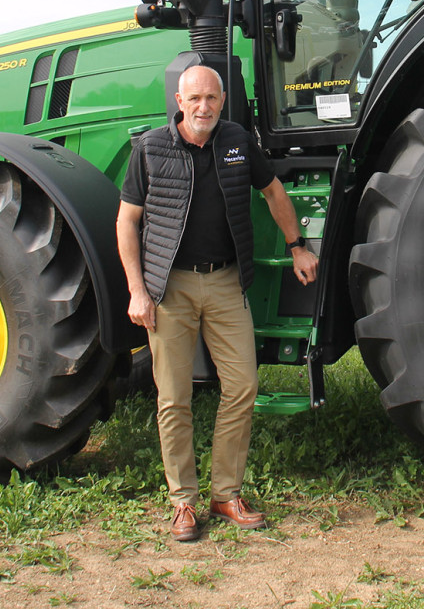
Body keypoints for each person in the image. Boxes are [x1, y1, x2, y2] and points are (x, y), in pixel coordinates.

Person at [116, 64, 319, 542]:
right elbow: (127, 223)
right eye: (194, 99)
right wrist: (137, 291)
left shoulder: (236, 141)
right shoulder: (150, 149)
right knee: (174, 398)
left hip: (227, 282)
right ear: (179, 102)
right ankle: (183, 503)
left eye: (211, 98)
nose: (203, 107)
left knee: (242, 386)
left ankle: (225, 494)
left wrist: (297, 245)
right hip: (170, 289)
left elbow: (272, 191)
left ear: (222, 101)